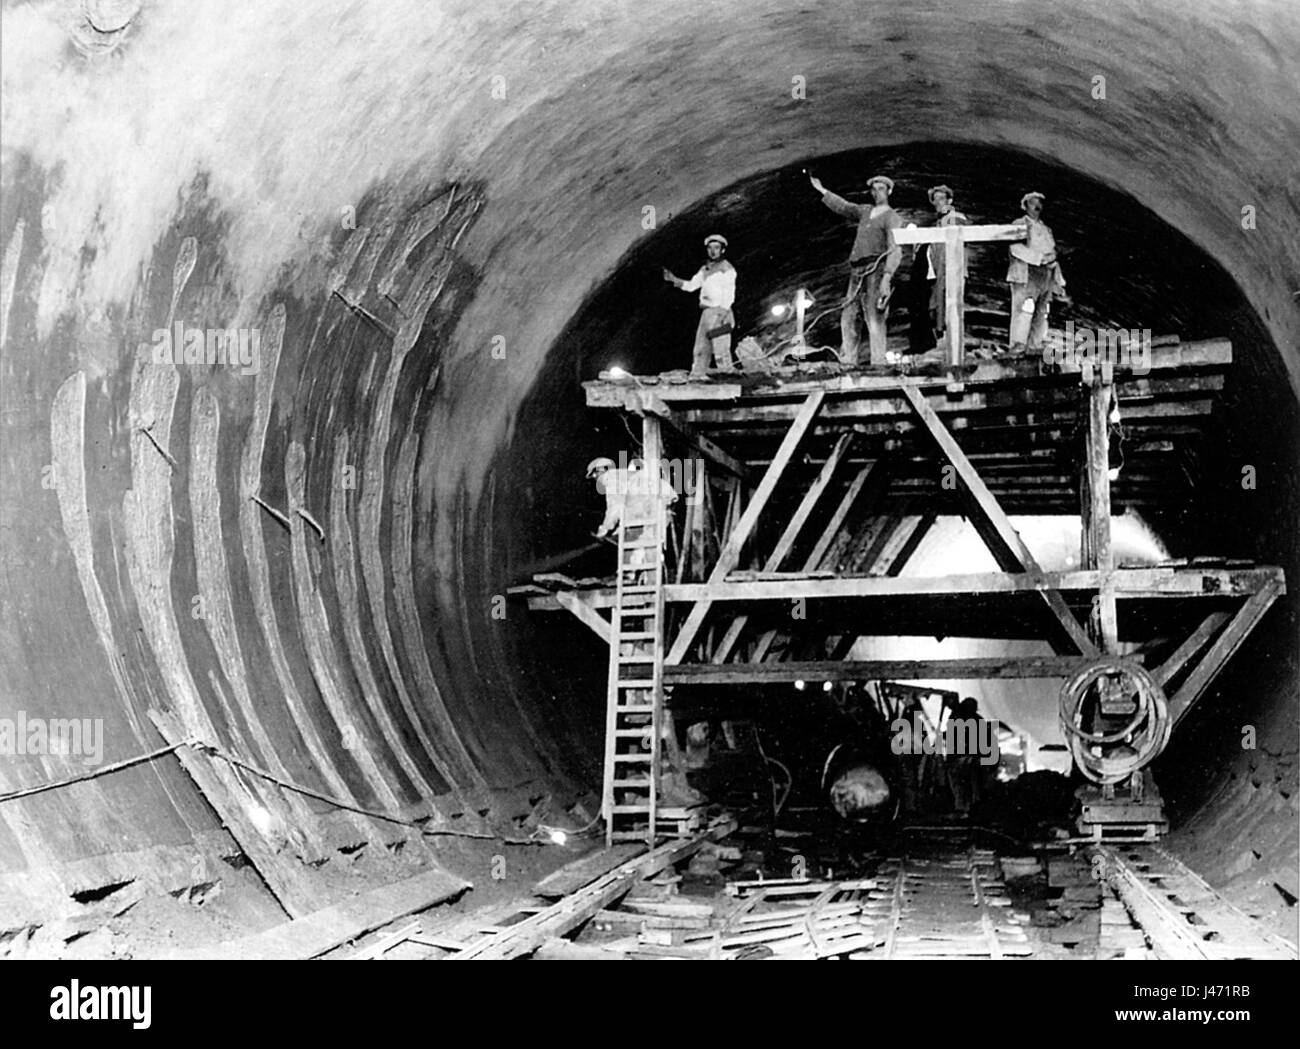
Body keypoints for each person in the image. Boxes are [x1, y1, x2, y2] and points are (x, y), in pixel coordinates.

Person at [808, 172, 903, 366]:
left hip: (875, 270)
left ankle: (878, 364)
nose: (877, 193)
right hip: (856, 272)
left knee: (874, 318)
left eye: (881, 189)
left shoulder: (892, 217)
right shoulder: (865, 211)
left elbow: (895, 248)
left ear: (889, 192)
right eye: (874, 189)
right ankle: (848, 362)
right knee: (849, 317)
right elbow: (844, 206)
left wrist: (887, 277)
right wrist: (822, 190)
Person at [663, 234, 737, 376]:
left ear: (723, 250)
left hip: (721, 312)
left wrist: (722, 314)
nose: (712, 251)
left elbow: (729, 293)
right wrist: (674, 279)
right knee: (701, 347)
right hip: (707, 313)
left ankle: (727, 375)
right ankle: (698, 375)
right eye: (710, 248)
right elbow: (691, 286)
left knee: (721, 347)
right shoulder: (705, 269)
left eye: (716, 248)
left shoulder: (727, 269)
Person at [1006, 192, 1067, 355]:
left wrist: (1059, 281)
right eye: (1033, 203)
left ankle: (1035, 344)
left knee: (1042, 310)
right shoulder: (1019, 224)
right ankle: (1018, 344)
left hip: (1045, 276)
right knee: (1024, 309)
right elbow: (1015, 248)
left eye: (1039, 203)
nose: (1037, 206)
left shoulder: (1046, 229)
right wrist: (1040, 258)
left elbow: (1053, 254)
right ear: (1025, 206)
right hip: (1027, 273)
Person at [925, 185, 969, 351]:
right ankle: (943, 342)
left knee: (952, 306)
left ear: (949, 200)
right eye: (935, 200)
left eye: (941, 199)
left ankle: (954, 345)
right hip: (939, 273)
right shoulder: (937, 223)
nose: (938, 202)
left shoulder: (955, 217)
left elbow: (958, 229)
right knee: (937, 306)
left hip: (953, 271)